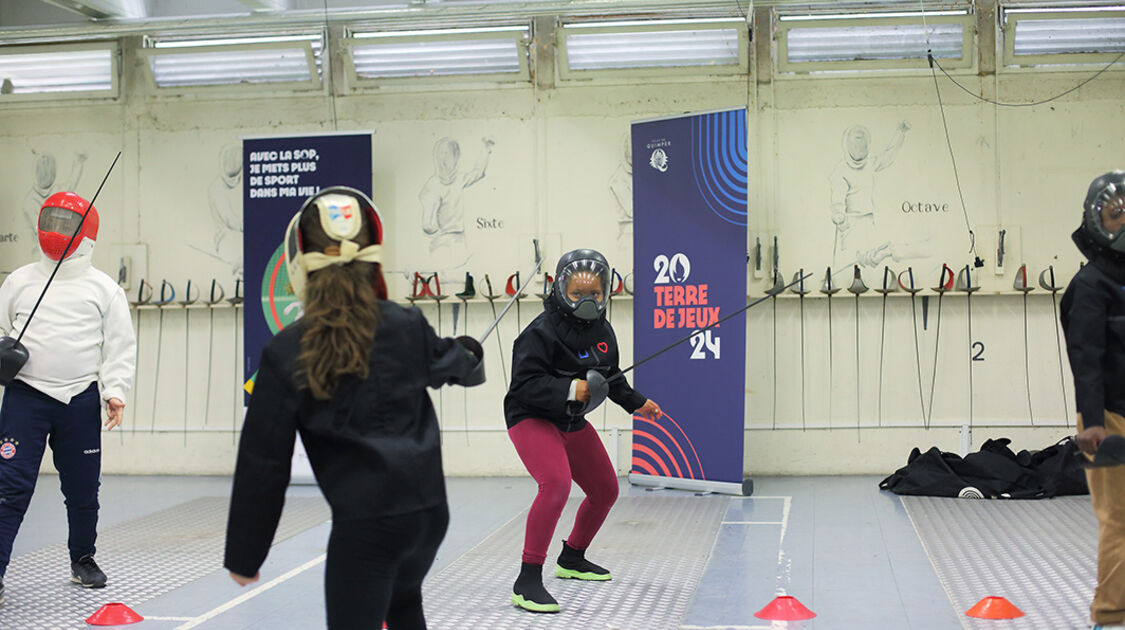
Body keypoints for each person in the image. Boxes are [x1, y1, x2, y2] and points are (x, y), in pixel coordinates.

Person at [224, 186, 484, 630]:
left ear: (299, 264)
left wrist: (246, 556)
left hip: (366, 529)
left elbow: (263, 464)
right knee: (403, 607)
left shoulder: (288, 351)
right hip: (428, 516)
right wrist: (467, 350)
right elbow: (463, 368)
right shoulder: (406, 323)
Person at [504, 248, 662, 613]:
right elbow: (523, 386)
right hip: (531, 417)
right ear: (561, 290)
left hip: (572, 420)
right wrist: (571, 389)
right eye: (577, 294)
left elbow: (612, 378)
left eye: (594, 293)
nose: (586, 301)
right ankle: (527, 580)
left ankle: (572, 557)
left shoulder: (603, 331)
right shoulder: (538, 333)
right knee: (556, 484)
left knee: (605, 490)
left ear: (606, 292)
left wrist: (639, 402)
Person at [0, 191, 135, 601]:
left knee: (82, 489)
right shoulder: (19, 281)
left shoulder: (104, 289)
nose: (57, 231)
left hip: (79, 399)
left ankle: (83, 559)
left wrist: (115, 391)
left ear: (86, 233)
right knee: (9, 485)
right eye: (52, 222)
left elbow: (119, 345)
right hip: (26, 397)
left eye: (67, 224)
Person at [1061, 170, 1125, 630]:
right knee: (1118, 519)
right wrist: (1093, 426)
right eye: (1114, 214)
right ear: (1097, 219)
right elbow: (1086, 359)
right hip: (1106, 420)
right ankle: (1109, 615)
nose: (1122, 222)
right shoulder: (1089, 287)